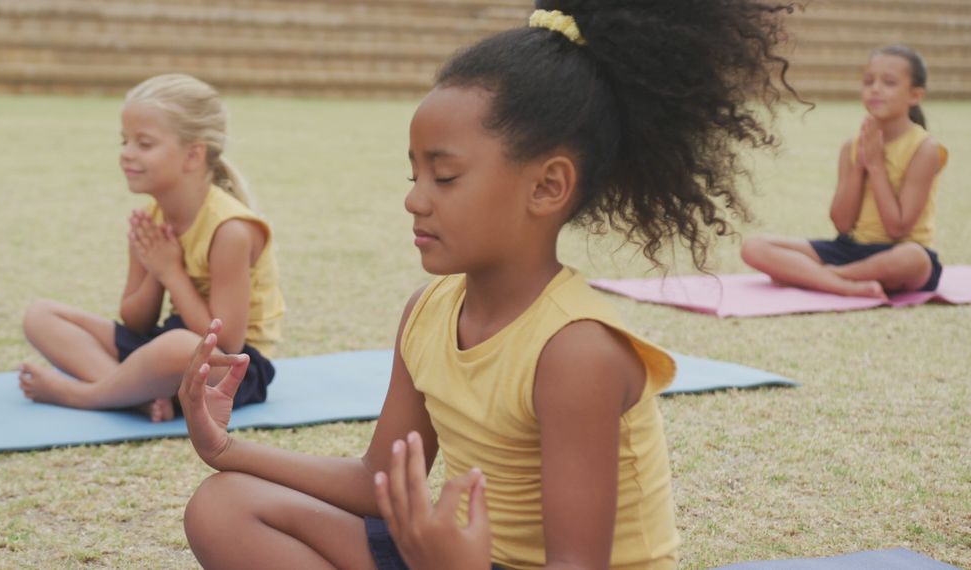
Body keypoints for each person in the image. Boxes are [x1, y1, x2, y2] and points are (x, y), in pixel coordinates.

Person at [178, 1, 797, 568]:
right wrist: (226, 447)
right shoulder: (428, 312)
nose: (414, 199)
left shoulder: (575, 351)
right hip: (465, 558)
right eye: (414, 173)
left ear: (548, 186)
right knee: (223, 506)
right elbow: (379, 480)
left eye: (444, 177)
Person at [18, 74, 284, 423]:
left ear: (193, 155)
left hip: (233, 369)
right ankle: (137, 396)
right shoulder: (151, 217)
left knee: (177, 346)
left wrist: (171, 271)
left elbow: (227, 343)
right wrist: (157, 272)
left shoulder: (230, 229)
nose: (126, 154)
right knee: (40, 315)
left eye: (144, 144)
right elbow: (136, 320)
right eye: (124, 141)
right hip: (169, 346)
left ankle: (87, 395)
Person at [741, 45, 948, 298]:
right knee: (754, 247)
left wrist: (876, 166)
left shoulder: (925, 148)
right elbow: (842, 223)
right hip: (850, 249)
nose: (875, 88)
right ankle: (847, 285)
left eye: (889, 82)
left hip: (900, 251)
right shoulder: (852, 146)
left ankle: (823, 277)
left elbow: (897, 228)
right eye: (868, 81)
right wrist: (859, 166)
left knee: (913, 258)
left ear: (915, 95)